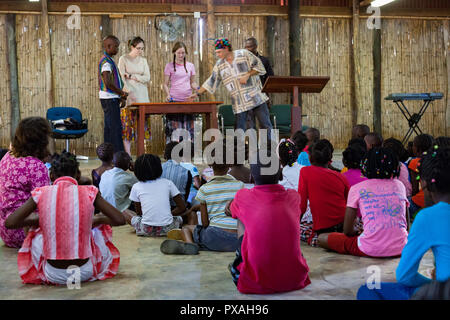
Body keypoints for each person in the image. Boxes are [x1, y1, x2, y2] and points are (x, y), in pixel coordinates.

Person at [5, 151, 125, 285]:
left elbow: (10, 222)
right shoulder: (90, 192)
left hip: (53, 273)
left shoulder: (41, 193)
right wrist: (99, 220)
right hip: (84, 272)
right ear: (78, 175)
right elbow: (119, 219)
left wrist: (39, 220)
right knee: (97, 232)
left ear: (51, 175)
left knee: (36, 234)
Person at [356, 145, 450, 300]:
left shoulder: (428, 217)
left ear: (424, 184)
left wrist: (434, 284)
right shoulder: (399, 187)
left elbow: (405, 275)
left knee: (368, 290)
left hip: (443, 293)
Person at [227, 155, 311, 294]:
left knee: (242, 218)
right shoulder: (294, 196)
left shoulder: (242, 196)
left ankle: (240, 260)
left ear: (251, 177)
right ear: (280, 174)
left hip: (255, 283)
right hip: (295, 279)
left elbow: (230, 211)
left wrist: (232, 204)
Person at [317, 147, 409, 258]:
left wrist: (359, 231)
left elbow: (347, 231)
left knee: (321, 238)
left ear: (365, 166)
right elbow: (406, 225)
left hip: (369, 248)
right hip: (402, 247)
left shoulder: (358, 188)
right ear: (395, 166)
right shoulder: (399, 185)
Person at [161, 143, 244, 254]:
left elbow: (205, 223)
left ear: (209, 163)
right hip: (238, 238)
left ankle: (191, 245)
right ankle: (202, 244)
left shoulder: (204, 189)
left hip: (215, 236)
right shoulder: (240, 186)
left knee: (187, 228)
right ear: (230, 163)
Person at [193, 38, 273, 140]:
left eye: (219, 52)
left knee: (265, 125)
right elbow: (211, 81)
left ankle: (270, 151)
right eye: (216, 52)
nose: (218, 55)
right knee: (247, 130)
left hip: (256, 97)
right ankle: (251, 153)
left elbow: (260, 67)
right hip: (240, 103)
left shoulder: (244, 54)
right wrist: (197, 93)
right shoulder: (219, 65)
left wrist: (248, 74)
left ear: (226, 49)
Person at [0, 117, 52, 248]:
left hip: (6, 232)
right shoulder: (36, 167)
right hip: (25, 232)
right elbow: (46, 203)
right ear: (41, 141)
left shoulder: (7, 157)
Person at [299, 139, 350, 247]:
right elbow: (349, 204)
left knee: (301, 228)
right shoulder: (341, 176)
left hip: (322, 229)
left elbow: (301, 206)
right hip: (344, 226)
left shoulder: (305, 172)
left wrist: (294, 227)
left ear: (310, 157)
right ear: (330, 159)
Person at [122, 154, 188, 237]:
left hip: (146, 229)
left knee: (125, 211)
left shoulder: (136, 186)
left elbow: (139, 213)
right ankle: (189, 233)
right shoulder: (168, 183)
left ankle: (141, 228)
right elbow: (182, 207)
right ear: (159, 168)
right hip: (170, 228)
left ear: (137, 171)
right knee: (189, 214)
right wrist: (168, 215)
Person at [118, 36, 151, 156]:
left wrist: (132, 76)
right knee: (127, 127)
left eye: (142, 48)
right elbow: (121, 78)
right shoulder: (123, 59)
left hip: (142, 96)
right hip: (129, 96)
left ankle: (140, 154)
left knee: (141, 127)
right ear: (132, 47)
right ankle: (128, 155)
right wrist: (127, 93)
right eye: (138, 48)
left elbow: (147, 77)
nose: (140, 51)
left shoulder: (144, 61)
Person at [163, 42, 199, 142]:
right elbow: (165, 84)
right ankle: (174, 151)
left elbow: (193, 83)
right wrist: (168, 95)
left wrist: (198, 89)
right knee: (175, 129)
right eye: (179, 53)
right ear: (174, 53)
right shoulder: (169, 66)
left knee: (188, 128)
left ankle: (188, 152)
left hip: (188, 100)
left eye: (183, 53)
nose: (181, 55)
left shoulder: (190, 66)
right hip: (174, 100)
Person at [99, 35, 127, 153]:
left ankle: (109, 155)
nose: (117, 49)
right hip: (109, 98)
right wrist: (122, 93)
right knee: (115, 129)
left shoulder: (109, 59)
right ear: (108, 46)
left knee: (110, 128)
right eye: (116, 47)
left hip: (111, 97)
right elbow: (108, 82)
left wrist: (119, 96)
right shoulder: (106, 61)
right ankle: (118, 156)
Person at [408, 134, 435, 218]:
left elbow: (415, 188)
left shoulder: (415, 162)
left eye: (413, 146)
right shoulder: (437, 159)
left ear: (418, 149)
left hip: (421, 201)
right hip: (438, 200)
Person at [161, 141, 192, 206]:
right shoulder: (187, 172)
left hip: (161, 207)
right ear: (181, 155)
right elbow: (186, 195)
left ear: (165, 154)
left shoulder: (158, 168)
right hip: (179, 208)